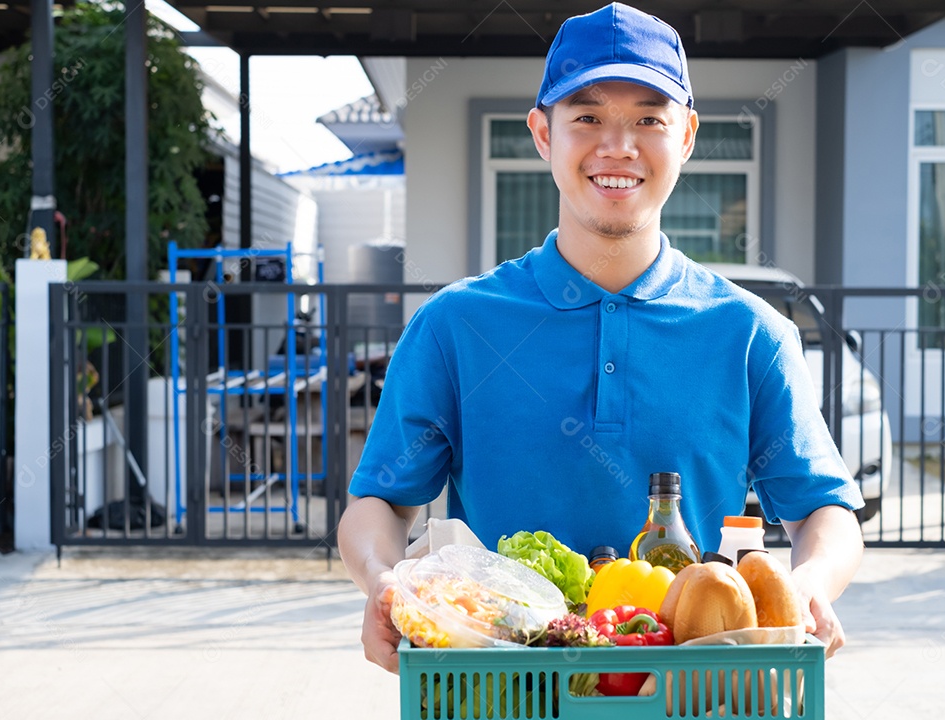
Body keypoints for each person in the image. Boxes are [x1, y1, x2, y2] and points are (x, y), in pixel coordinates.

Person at [337, 2, 864, 674]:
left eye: (649, 118)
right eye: (587, 117)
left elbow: (825, 510)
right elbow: (379, 502)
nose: (618, 146)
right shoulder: (455, 325)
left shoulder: (751, 334)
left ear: (689, 135)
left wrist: (810, 585)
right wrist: (385, 580)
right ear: (541, 133)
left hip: (692, 692)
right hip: (498, 685)